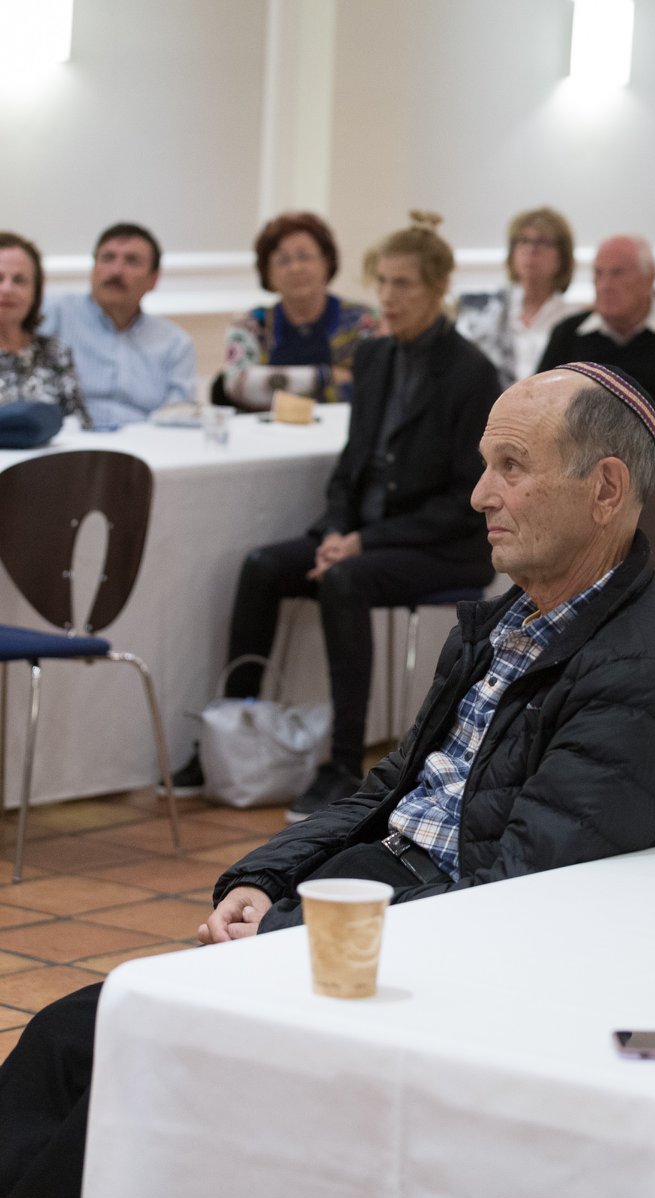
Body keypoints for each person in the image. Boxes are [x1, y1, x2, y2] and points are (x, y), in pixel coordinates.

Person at [0, 362, 655, 1198]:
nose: (480, 496)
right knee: (68, 1039)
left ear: (605, 489)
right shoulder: (517, 619)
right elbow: (392, 788)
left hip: (440, 967)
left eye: (511, 467)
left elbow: (518, 897)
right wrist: (265, 878)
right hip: (376, 910)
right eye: (485, 465)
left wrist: (293, 932)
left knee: (135, 1069)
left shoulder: (645, 674)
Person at [182, 214, 503, 817]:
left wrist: (361, 542)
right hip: (364, 535)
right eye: (382, 281)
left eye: (403, 284)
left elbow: (464, 499)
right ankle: (231, 736)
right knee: (261, 566)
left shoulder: (471, 372)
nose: (387, 296)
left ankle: (343, 763)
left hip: (440, 545)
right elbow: (351, 466)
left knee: (344, 579)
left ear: (438, 288)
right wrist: (335, 529)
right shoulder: (375, 356)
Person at [539, 234, 655, 420]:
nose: (605, 285)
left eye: (617, 273)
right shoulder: (568, 333)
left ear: (649, 278)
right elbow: (538, 402)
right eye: (599, 273)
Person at [36, 222, 194, 426]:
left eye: (132, 261)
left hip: (145, 441)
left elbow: (178, 416)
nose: (116, 270)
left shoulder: (175, 343)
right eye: (108, 258)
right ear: (93, 269)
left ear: (154, 279)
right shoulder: (52, 314)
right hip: (67, 437)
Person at [221, 211, 379, 409]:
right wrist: (324, 377)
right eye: (283, 260)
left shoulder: (363, 321)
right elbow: (238, 385)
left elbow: (373, 387)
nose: (295, 268)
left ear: (327, 262)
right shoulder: (252, 324)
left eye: (304, 257)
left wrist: (272, 386)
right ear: (267, 272)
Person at [454, 206, 584, 387]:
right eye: (523, 240)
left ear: (563, 256)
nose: (531, 250)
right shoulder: (483, 311)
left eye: (543, 242)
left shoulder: (575, 321)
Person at [0, 231, 88, 425]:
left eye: (19, 280)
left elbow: (78, 424)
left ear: (35, 292)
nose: (7, 289)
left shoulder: (55, 351)